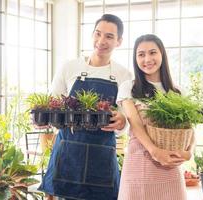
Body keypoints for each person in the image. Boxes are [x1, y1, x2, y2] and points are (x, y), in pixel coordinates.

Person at [38, 14, 132, 200]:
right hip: (68, 154)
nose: (101, 41)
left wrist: (121, 122)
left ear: (119, 41)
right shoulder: (69, 67)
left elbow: (125, 122)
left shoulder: (123, 75)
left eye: (109, 36)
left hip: (102, 157)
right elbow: (52, 104)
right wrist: (45, 119)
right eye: (98, 34)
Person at [117, 34, 194, 200]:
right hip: (139, 165)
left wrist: (189, 152)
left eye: (152, 52)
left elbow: (189, 128)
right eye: (141, 54)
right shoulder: (129, 88)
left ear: (162, 55)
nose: (147, 59)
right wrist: (155, 152)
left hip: (170, 167)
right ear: (135, 58)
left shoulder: (177, 91)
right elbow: (135, 124)